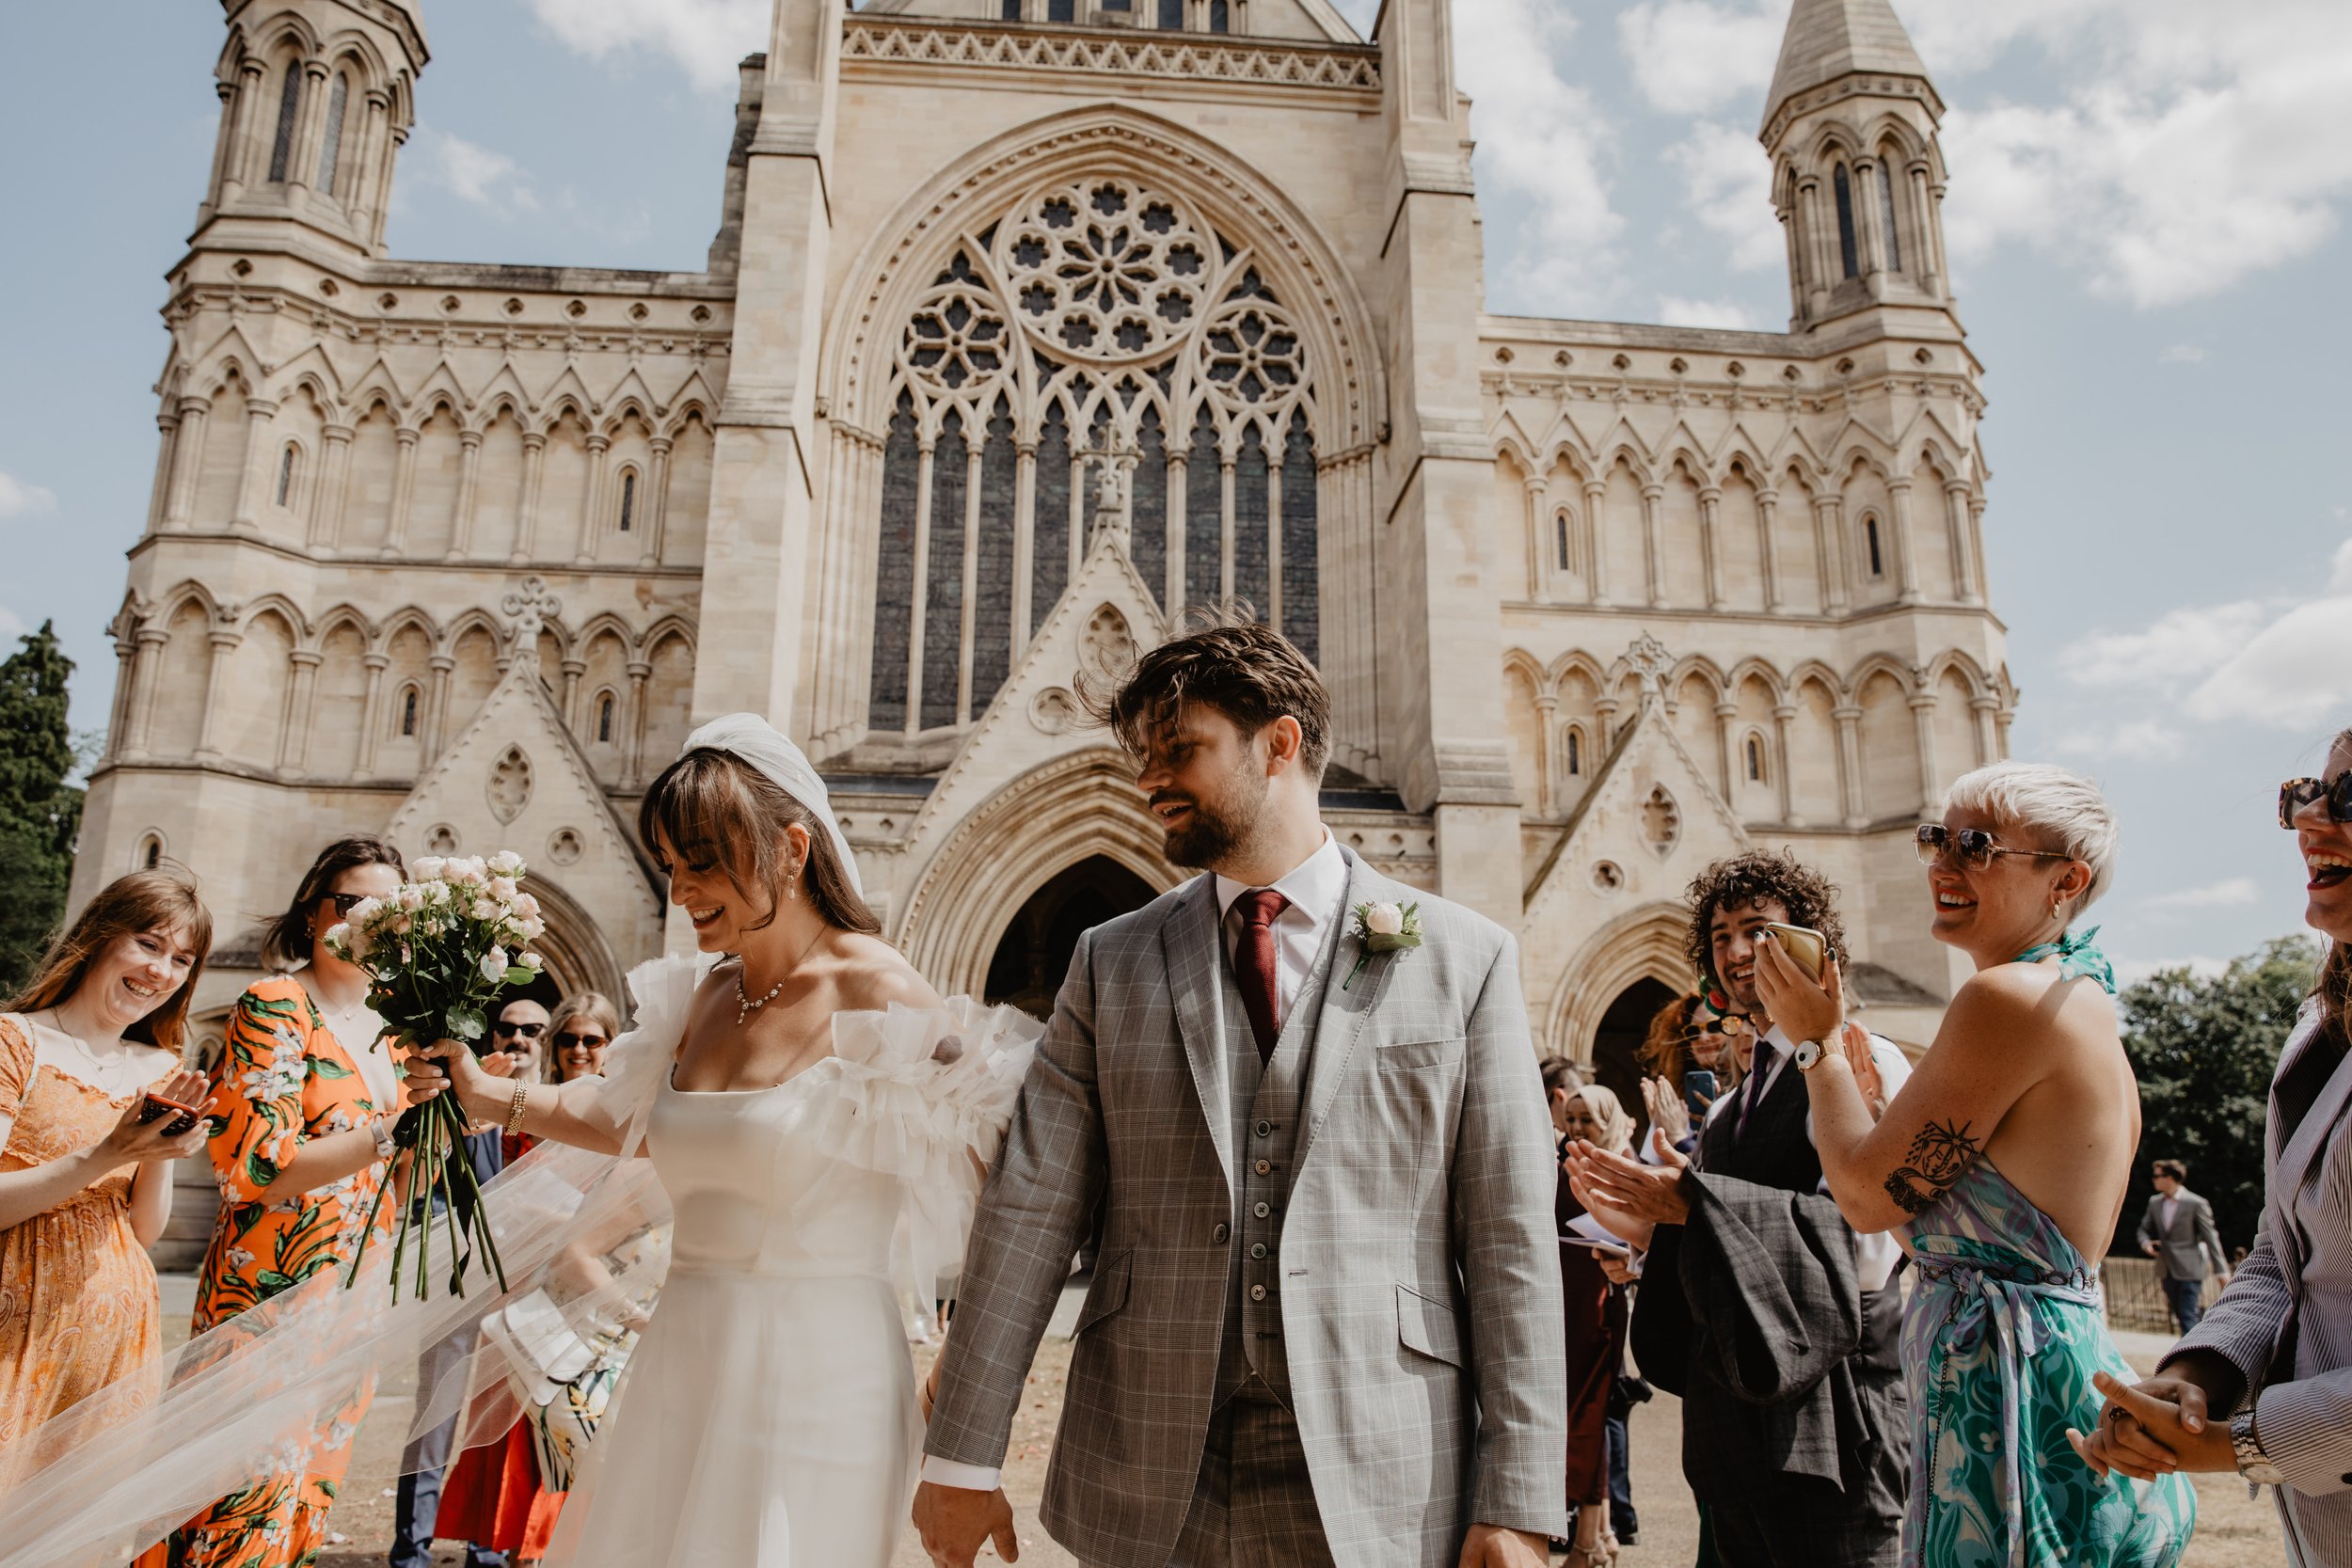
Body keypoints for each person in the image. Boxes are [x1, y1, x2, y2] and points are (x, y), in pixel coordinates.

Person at [914, 615, 1565, 1568]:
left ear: (1280, 743)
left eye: (1180, 749)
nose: (1147, 780)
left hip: (1381, 1461)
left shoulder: (1465, 957)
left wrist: (1517, 1498)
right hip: (1147, 1463)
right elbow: (1029, 1207)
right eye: (1143, 755)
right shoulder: (1111, 960)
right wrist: (962, 1457)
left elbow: (1509, 1236)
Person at [406, 714, 1041, 1566]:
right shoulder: (703, 994)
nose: (679, 891)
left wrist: (955, 1402)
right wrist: (490, 1095)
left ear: (791, 846)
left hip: (821, 1380)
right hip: (681, 1360)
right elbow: (623, 1118)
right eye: (669, 864)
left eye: (700, 862)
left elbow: (1007, 1194)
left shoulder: (879, 988)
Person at [1753, 762, 2193, 1567]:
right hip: (2048, 1376)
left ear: (2068, 879)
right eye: (1936, 838)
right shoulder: (2079, 994)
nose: (1943, 865)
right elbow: (1960, 1240)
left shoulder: (2006, 1000)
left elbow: (1862, 1195)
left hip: (2008, 1405)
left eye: (1978, 845)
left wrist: (1816, 1040)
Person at [1566, 849, 1912, 1568]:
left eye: (1756, 929)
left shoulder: (1863, 1058)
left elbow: (1871, 1244)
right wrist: (1643, 1229)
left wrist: (1695, 1206)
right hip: (1737, 1414)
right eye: (1720, 936)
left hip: (1836, 1411)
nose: (1735, 951)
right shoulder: (1729, 1103)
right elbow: (1722, 1234)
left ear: (1810, 940)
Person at [2074, 727, 2352, 1564]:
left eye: (2348, 798)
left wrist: (2237, 1444)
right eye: (2307, 790)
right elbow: (2278, 1257)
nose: (2309, 820)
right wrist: (2194, 1382)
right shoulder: (2320, 1021)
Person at [174, 835, 410, 1568]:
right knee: (238, 1505)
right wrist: (390, 1132)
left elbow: (403, 1187)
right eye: (351, 901)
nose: (368, 918)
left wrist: (446, 1130)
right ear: (314, 910)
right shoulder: (276, 1003)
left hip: (353, 1301)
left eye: (388, 907)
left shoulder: (396, 1033)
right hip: (269, 1293)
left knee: (307, 1501)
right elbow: (250, 1169)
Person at [0, 871, 214, 1486]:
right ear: (99, 935)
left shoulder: (161, 1066)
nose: (161, 971)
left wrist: (159, 1154)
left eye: (181, 959)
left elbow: (142, 1230)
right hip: (14, 1333)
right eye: (148, 944)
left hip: (114, 1352)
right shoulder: (17, 1042)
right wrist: (106, 1151)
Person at [433, 993, 625, 1567]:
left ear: (612, 1045)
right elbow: (504, 1203)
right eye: (569, 1039)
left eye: (594, 1040)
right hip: (526, 1293)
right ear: (555, 1046)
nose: (581, 1050)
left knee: (583, 1431)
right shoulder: (526, 1120)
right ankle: (502, 1551)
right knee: (517, 1433)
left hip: (592, 1294)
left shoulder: (623, 1112)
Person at [389, 997, 543, 1568]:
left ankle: (489, 1546)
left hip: (527, 1298)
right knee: (434, 1419)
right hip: (458, 1283)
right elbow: (422, 1191)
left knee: (501, 1426)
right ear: (491, 1035)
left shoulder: (557, 1114)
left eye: (532, 1029)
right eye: (508, 1028)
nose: (519, 1037)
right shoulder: (457, 1105)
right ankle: (411, 1549)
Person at [1555, 1080, 1636, 1568]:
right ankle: (1592, 1533)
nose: (1579, 1129)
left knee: (1590, 1413)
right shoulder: (1561, 1162)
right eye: (1572, 1120)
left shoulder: (1622, 1168)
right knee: (1571, 1416)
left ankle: (1590, 1538)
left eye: (1589, 1121)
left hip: (1599, 1300)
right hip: (1563, 1300)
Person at [2136, 1160, 2229, 1336]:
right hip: (2166, 1268)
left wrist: (2221, 1270)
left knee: (2187, 1314)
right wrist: (2146, 1243)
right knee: (2181, 1314)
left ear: (2170, 1178)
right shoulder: (2155, 1202)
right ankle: (2202, 1341)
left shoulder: (2195, 1203)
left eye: (2157, 1176)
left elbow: (2211, 1237)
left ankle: (2191, 1356)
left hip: (2191, 1268)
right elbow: (2143, 1229)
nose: (2153, 1180)